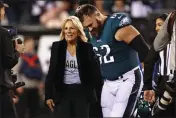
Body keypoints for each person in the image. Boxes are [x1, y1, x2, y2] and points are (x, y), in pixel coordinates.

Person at [75, 4, 149, 118]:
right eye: (86, 27)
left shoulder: (117, 26)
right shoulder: (90, 33)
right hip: (108, 84)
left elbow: (145, 52)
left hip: (128, 79)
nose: (89, 29)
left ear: (98, 15)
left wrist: (148, 84)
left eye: (90, 24)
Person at [45, 16, 102, 118]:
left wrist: (91, 91)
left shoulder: (87, 48)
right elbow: (51, 72)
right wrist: (48, 95)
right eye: (66, 28)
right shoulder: (57, 47)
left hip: (82, 92)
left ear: (78, 31)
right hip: (62, 92)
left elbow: (96, 72)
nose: (68, 31)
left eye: (72, 28)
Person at [144, 11, 176, 117]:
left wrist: (148, 86)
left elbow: (149, 61)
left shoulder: (163, 44)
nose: (156, 28)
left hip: (168, 82)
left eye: (160, 25)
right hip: (163, 83)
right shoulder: (160, 45)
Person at [0, 1, 24, 118]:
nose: (4, 12)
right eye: (3, 9)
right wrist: (18, 51)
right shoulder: (4, 34)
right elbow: (9, 62)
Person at [15, 37, 44, 118]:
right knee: (21, 111)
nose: (31, 46)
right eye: (29, 44)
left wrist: (40, 84)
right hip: (24, 87)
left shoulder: (35, 57)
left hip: (34, 87)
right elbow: (15, 72)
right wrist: (18, 85)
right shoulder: (20, 57)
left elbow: (40, 71)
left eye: (32, 44)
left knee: (34, 111)